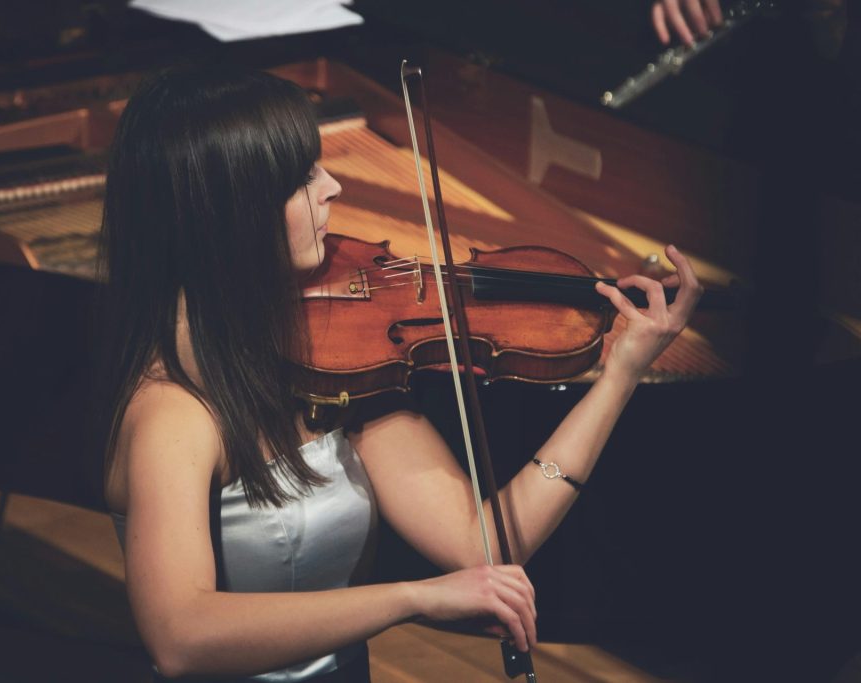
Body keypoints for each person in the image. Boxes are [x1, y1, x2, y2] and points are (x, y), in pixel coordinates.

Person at [94, 66, 702, 682]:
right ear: (232, 212)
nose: (332, 187)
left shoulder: (335, 362)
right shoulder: (174, 415)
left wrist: (621, 375)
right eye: (304, 177)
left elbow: (483, 541)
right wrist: (411, 598)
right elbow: (180, 638)